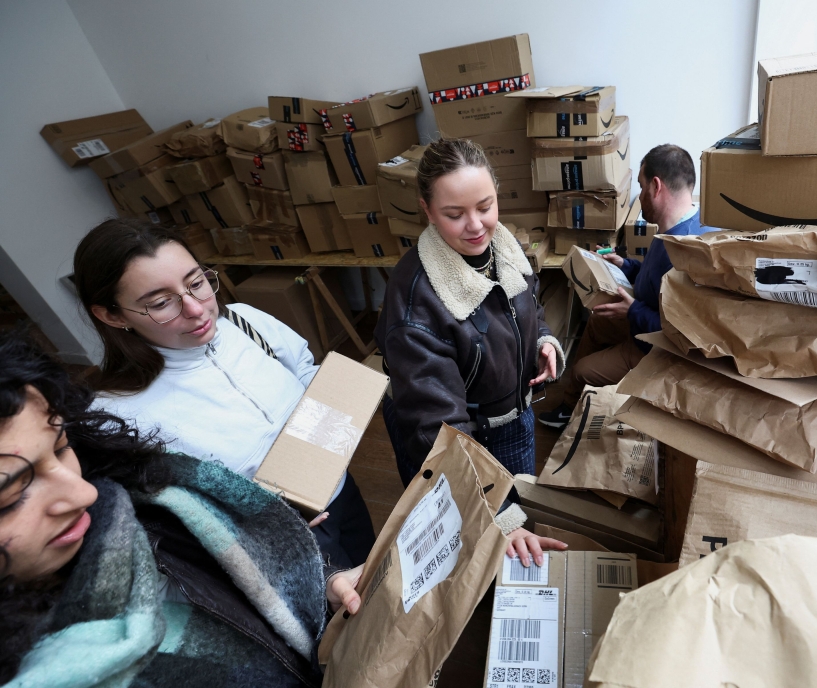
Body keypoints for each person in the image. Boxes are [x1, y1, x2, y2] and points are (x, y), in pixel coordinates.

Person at [0, 331, 565, 685]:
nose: (81, 493)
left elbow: (249, 553)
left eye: (61, 447)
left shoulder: (147, 487)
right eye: (12, 491)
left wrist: (323, 577)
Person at [73, 218, 372, 572]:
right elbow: (165, 523)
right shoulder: (116, 416)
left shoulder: (245, 322)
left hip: (339, 489)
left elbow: (305, 373)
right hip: (274, 548)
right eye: (160, 302)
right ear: (111, 314)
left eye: (197, 283)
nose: (197, 309)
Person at [375, 139, 566, 485]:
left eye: (485, 206)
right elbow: (436, 430)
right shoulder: (416, 301)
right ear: (428, 211)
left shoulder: (503, 247)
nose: (476, 225)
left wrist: (542, 340)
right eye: (455, 214)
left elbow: (527, 302)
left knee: (524, 515)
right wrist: (489, 507)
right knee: (483, 532)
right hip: (467, 443)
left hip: (514, 417)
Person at [538, 144, 718, 429]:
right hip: (643, 321)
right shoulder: (678, 227)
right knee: (598, 320)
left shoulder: (690, 252)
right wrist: (625, 265)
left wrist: (632, 311)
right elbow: (654, 279)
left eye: (641, 185)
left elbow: (684, 334)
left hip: (658, 348)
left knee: (583, 371)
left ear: (656, 187)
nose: (640, 194)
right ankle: (571, 404)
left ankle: (575, 400)